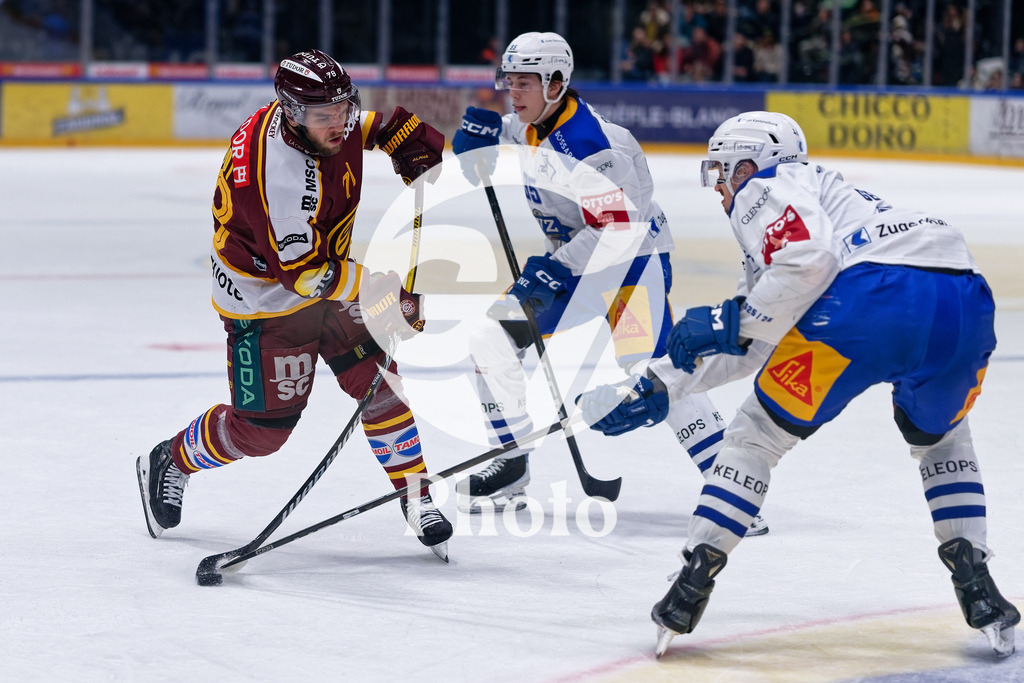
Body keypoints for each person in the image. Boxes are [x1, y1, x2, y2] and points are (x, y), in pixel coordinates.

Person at [578, 111, 1019, 657]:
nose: (718, 187)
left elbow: (807, 263)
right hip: (965, 303)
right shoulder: (835, 199)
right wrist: (664, 384)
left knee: (754, 437)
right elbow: (761, 334)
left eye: (721, 171)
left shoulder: (765, 186)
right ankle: (975, 582)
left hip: (871, 299)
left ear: (748, 162)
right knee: (945, 438)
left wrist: (723, 320)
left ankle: (693, 581)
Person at [135, 49, 454, 561]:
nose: (340, 123)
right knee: (261, 433)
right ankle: (170, 460)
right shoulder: (275, 178)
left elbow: (369, 126)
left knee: (380, 382)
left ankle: (415, 493)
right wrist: (385, 295)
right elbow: (308, 277)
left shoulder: (319, 116)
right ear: (289, 111)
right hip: (265, 302)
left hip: (322, 280)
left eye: (342, 108)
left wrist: (404, 135)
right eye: (325, 116)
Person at [449, 32, 766, 537]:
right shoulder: (535, 122)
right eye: (509, 83)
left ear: (556, 83)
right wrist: (484, 137)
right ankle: (512, 463)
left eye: (524, 83)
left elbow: (618, 228)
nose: (514, 93)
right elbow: (515, 133)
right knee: (492, 340)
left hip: (630, 267)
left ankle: (732, 490)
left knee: (655, 370)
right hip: (575, 264)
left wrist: (557, 269)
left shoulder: (592, 146)